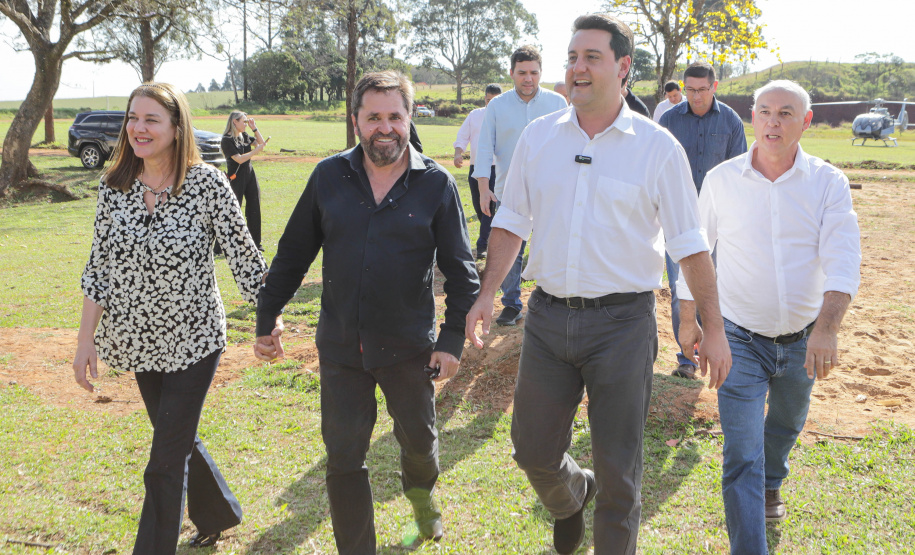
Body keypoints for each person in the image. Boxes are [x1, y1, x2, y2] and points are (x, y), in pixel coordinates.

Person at [465, 14, 731, 555]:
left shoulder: (657, 148)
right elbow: (511, 220)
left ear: (623, 66)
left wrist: (713, 326)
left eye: (591, 57)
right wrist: (487, 292)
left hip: (623, 326)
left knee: (619, 473)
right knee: (532, 451)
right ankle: (572, 495)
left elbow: (689, 244)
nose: (577, 68)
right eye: (572, 57)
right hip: (548, 319)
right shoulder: (539, 137)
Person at [253, 71, 480, 554]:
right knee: (343, 459)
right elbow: (293, 255)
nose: (385, 127)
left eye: (395, 116)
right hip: (340, 348)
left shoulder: (436, 184)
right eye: (373, 116)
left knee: (420, 446)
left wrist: (451, 341)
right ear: (355, 120)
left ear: (410, 118)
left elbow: (462, 275)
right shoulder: (328, 177)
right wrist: (267, 315)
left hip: (408, 349)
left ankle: (422, 503)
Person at [73, 82, 267, 553]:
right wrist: (84, 340)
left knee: (163, 461)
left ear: (177, 128)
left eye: (151, 119)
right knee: (174, 436)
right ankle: (219, 512)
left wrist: (269, 318)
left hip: (195, 339)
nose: (138, 128)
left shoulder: (207, 185)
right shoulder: (114, 186)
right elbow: (100, 266)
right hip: (139, 341)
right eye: (133, 118)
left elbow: (244, 257)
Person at [677, 80, 861, 555]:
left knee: (786, 421)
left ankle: (772, 479)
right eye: (764, 112)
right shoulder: (721, 180)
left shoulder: (828, 183)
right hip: (737, 337)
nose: (773, 122)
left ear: (806, 121)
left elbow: (843, 258)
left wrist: (827, 329)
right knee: (741, 453)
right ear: (752, 117)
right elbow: (696, 249)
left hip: (803, 338)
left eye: (785, 113)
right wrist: (689, 318)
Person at [659, 61, 747, 380]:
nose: (696, 97)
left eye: (702, 90)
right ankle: (687, 358)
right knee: (680, 288)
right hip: (678, 217)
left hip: (719, 220)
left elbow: (740, 171)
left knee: (715, 287)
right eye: (690, 90)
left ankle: (719, 348)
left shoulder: (731, 121)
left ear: (714, 86)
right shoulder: (668, 120)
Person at [473, 45, 567, 326]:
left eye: (534, 73)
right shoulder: (497, 106)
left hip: (550, 191)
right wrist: (483, 188)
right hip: (509, 191)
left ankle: (550, 299)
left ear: (541, 73)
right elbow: (484, 148)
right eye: (522, 72)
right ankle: (511, 304)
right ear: (511, 72)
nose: (528, 78)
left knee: (551, 245)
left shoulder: (558, 104)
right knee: (509, 250)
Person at [453, 83, 502, 259]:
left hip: (495, 168)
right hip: (475, 167)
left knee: (488, 204)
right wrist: (458, 153)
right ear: (484, 99)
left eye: (494, 101)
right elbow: (462, 136)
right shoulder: (475, 115)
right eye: (488, 100)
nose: (491, 104)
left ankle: (482, 245)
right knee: (478, 205)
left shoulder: (505, 117)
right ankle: (490, 234)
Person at [221, 111, 267, 251]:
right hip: (236, 177)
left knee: (254, 206)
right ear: (235, 122)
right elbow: (239, 159)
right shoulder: (227, 140)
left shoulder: (245, 136)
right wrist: (255, 151)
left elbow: (261, 143)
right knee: (233, 210)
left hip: (249, 174)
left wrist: (254, 128)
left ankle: (255, 243)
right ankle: (223, 245)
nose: (246, 124)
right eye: (244, 121)